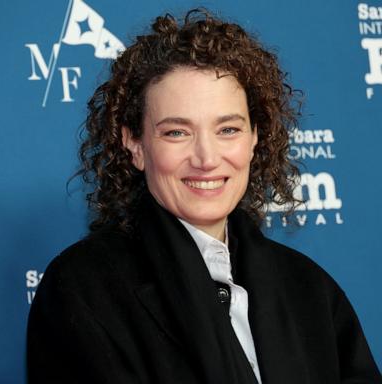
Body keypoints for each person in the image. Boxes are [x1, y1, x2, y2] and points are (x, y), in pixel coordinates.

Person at [27, 8, 381, 384]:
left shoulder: (310, 288)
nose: (207, 159)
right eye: (177, 132)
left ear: (255, 137)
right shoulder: (82, 291)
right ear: (135, 144)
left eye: (228, 129)